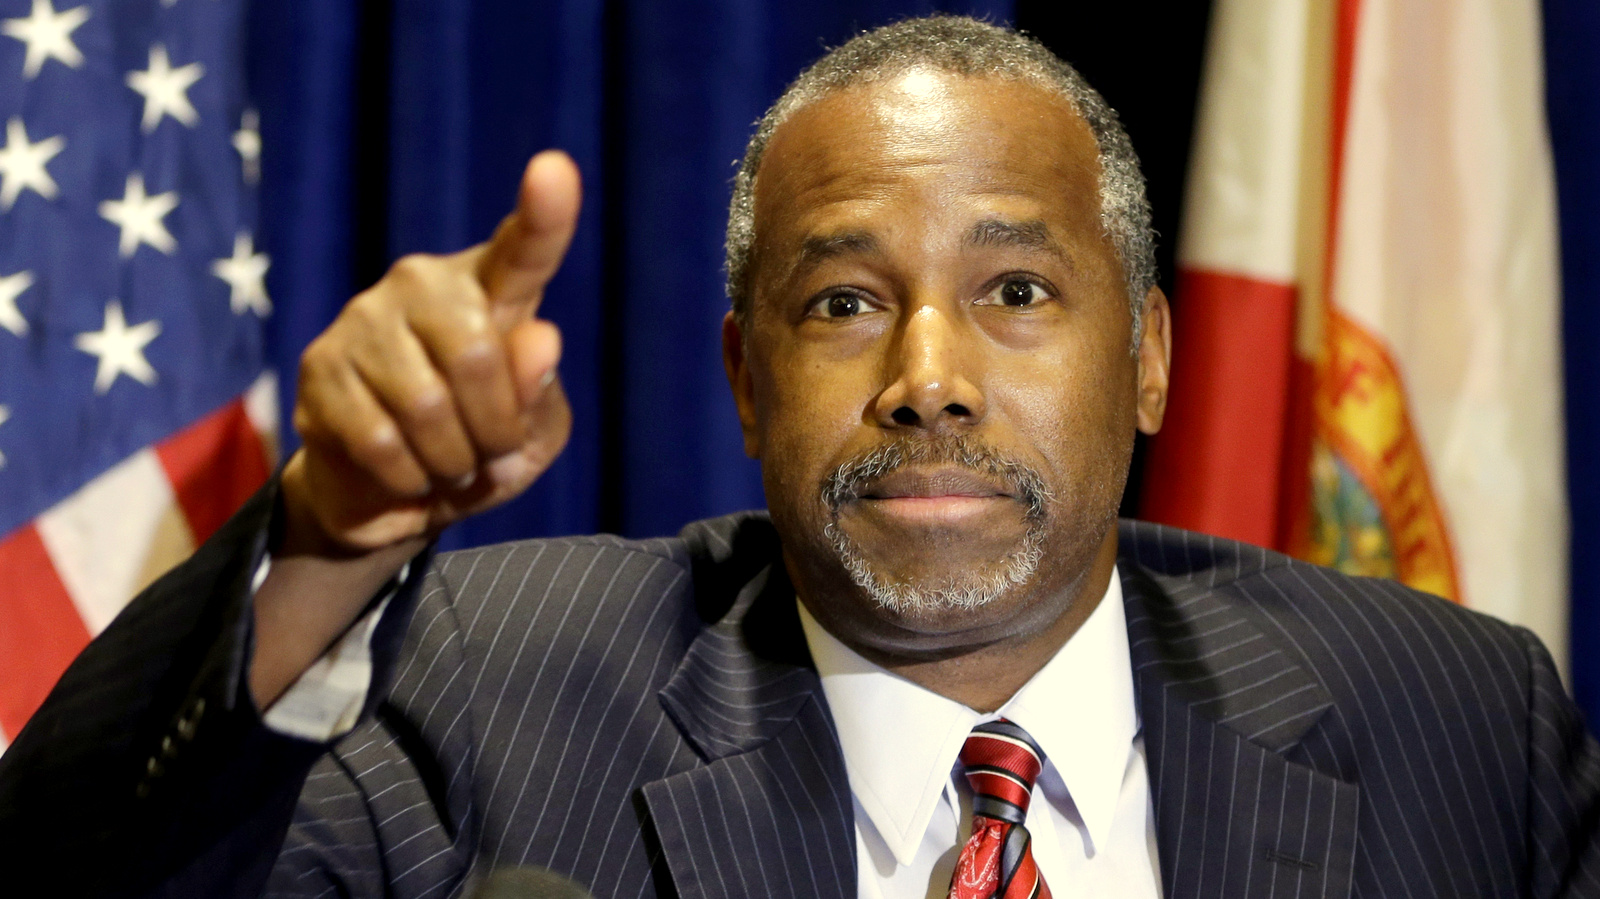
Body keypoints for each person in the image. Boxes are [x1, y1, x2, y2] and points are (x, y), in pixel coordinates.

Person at [2, 15, 1597, 899]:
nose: (927, 379)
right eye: (844, 302)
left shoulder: (1462, 725)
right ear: (745, 382)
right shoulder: (479, 699)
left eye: (1017, 293)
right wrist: (333, 535)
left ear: (1156, 361)